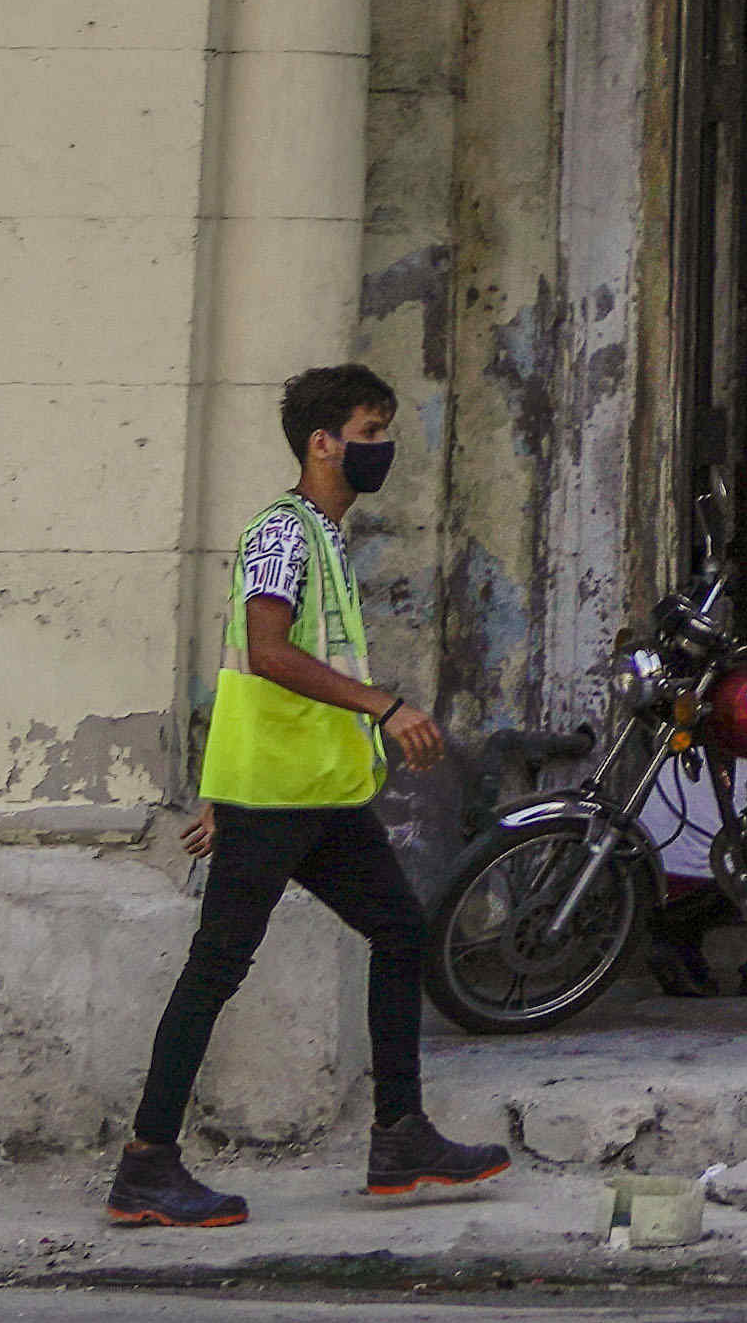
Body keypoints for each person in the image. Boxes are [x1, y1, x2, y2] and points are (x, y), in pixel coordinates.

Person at [109, 362, 512, 1234]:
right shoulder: (283, 534)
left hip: (315, 795)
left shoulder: (323, 538)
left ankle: (400, 1137)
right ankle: (146, 1163)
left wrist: (220, 790)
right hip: (277, 798)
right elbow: (262, 651)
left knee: (402, 932)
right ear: (323, 442)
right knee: (217, 967)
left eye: (384, 432)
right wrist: (384, 704)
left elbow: (238, 671)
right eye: (370, 434)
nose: (383, 450)